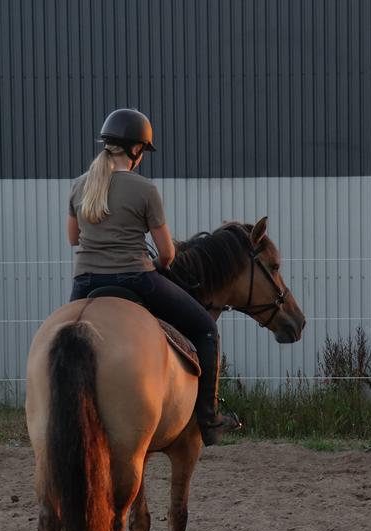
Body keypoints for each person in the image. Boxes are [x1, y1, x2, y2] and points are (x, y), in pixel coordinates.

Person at [66, 108, 241, 445]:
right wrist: (160, 260)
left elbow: (73, 239)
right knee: (206, 329)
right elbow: (167, 253)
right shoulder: (145, 189)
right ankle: (208, 418)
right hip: (135, 278)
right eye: (143, 150)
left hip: (84, 283)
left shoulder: (79, 186)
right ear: (136, 150)